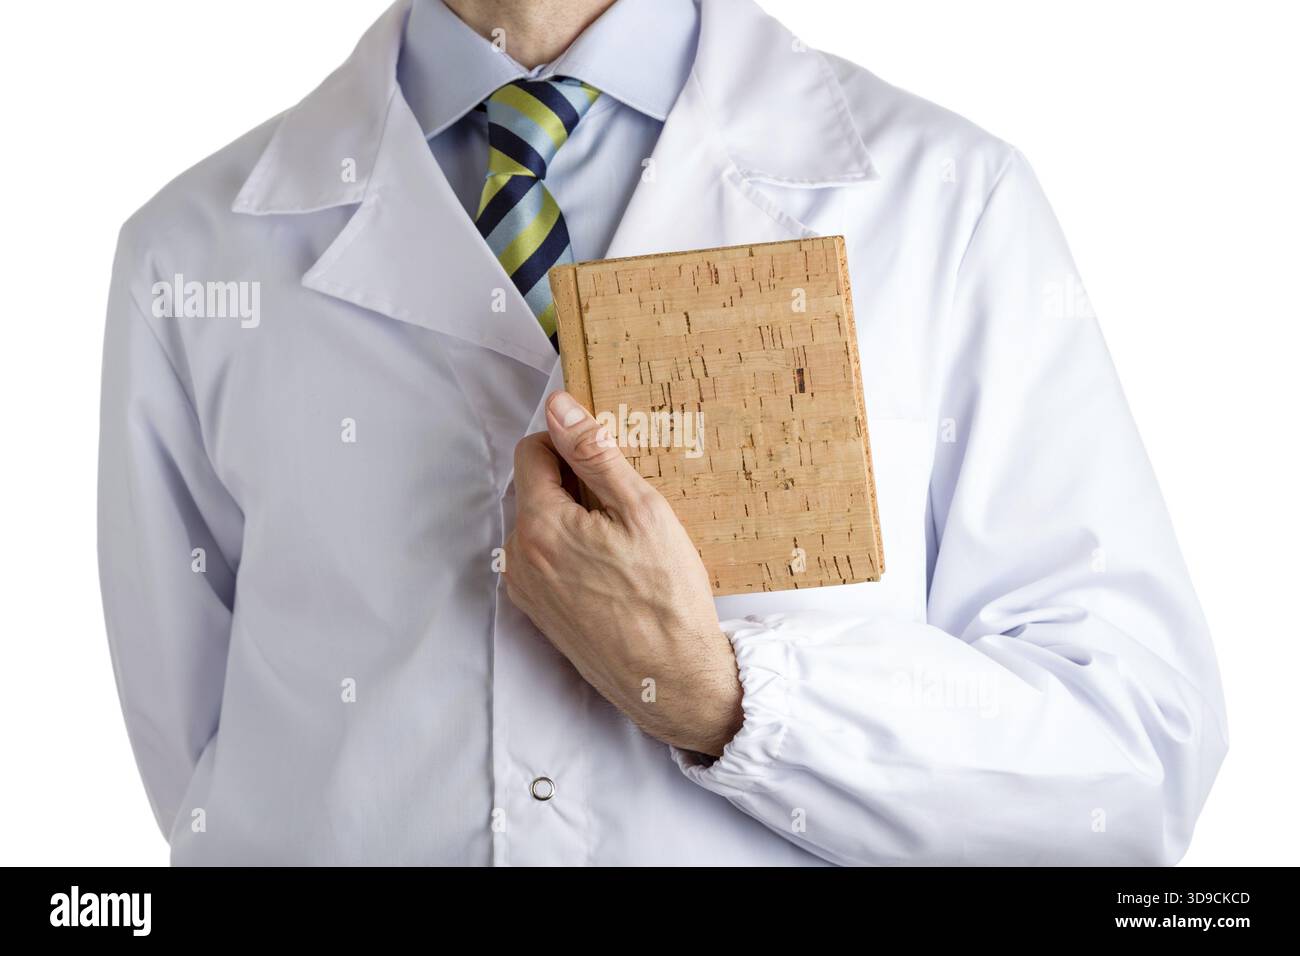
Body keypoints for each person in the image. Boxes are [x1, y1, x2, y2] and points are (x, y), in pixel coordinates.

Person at [98, 0, 1227, 865]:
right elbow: (203, 762)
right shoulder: (193, 255)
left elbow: (1125, 762)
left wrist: (721, 698)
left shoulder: (945, 200)